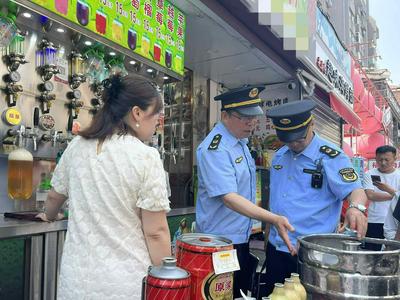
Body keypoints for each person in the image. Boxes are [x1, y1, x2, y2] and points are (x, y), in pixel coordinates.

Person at [37, 74, 171, 300]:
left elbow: (53, 197)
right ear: (137, 113)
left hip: (76, 282)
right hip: (125, 284)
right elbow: (156, 232)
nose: (158, 121)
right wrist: (168, 278)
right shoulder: (145, 156)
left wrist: (49, 216)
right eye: (156, 114)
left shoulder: (77, 146)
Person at [195, 85, 295, 299]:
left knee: (238, 292)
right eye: (244, 118)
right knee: (220, 295)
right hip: (220, 243)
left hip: (238, 239)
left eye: (254, 117)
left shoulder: (240, 143)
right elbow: (229, 198)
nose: (251, 123)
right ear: (225, 115)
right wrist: (273, 218)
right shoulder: (216, 149)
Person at [264, 99, 368, 295]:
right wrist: (268, 232)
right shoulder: (279, 156)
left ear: (312, 124)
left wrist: (355, 208)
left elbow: (356, 190)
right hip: (277, 248)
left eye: (299, 138)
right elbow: (276, 200)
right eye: (288, 139)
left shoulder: (332, 157)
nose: (293, 144)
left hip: (312, 254)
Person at [363, 145, 400, 250]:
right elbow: (370, 195)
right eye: (380, 159)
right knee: (372, 253)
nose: (383, 163)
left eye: (386, 160)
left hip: (395, 222)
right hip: (375, 220)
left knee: (392, 255)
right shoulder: (370, 174)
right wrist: (395, 195)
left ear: (395, 159)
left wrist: (390, 191)